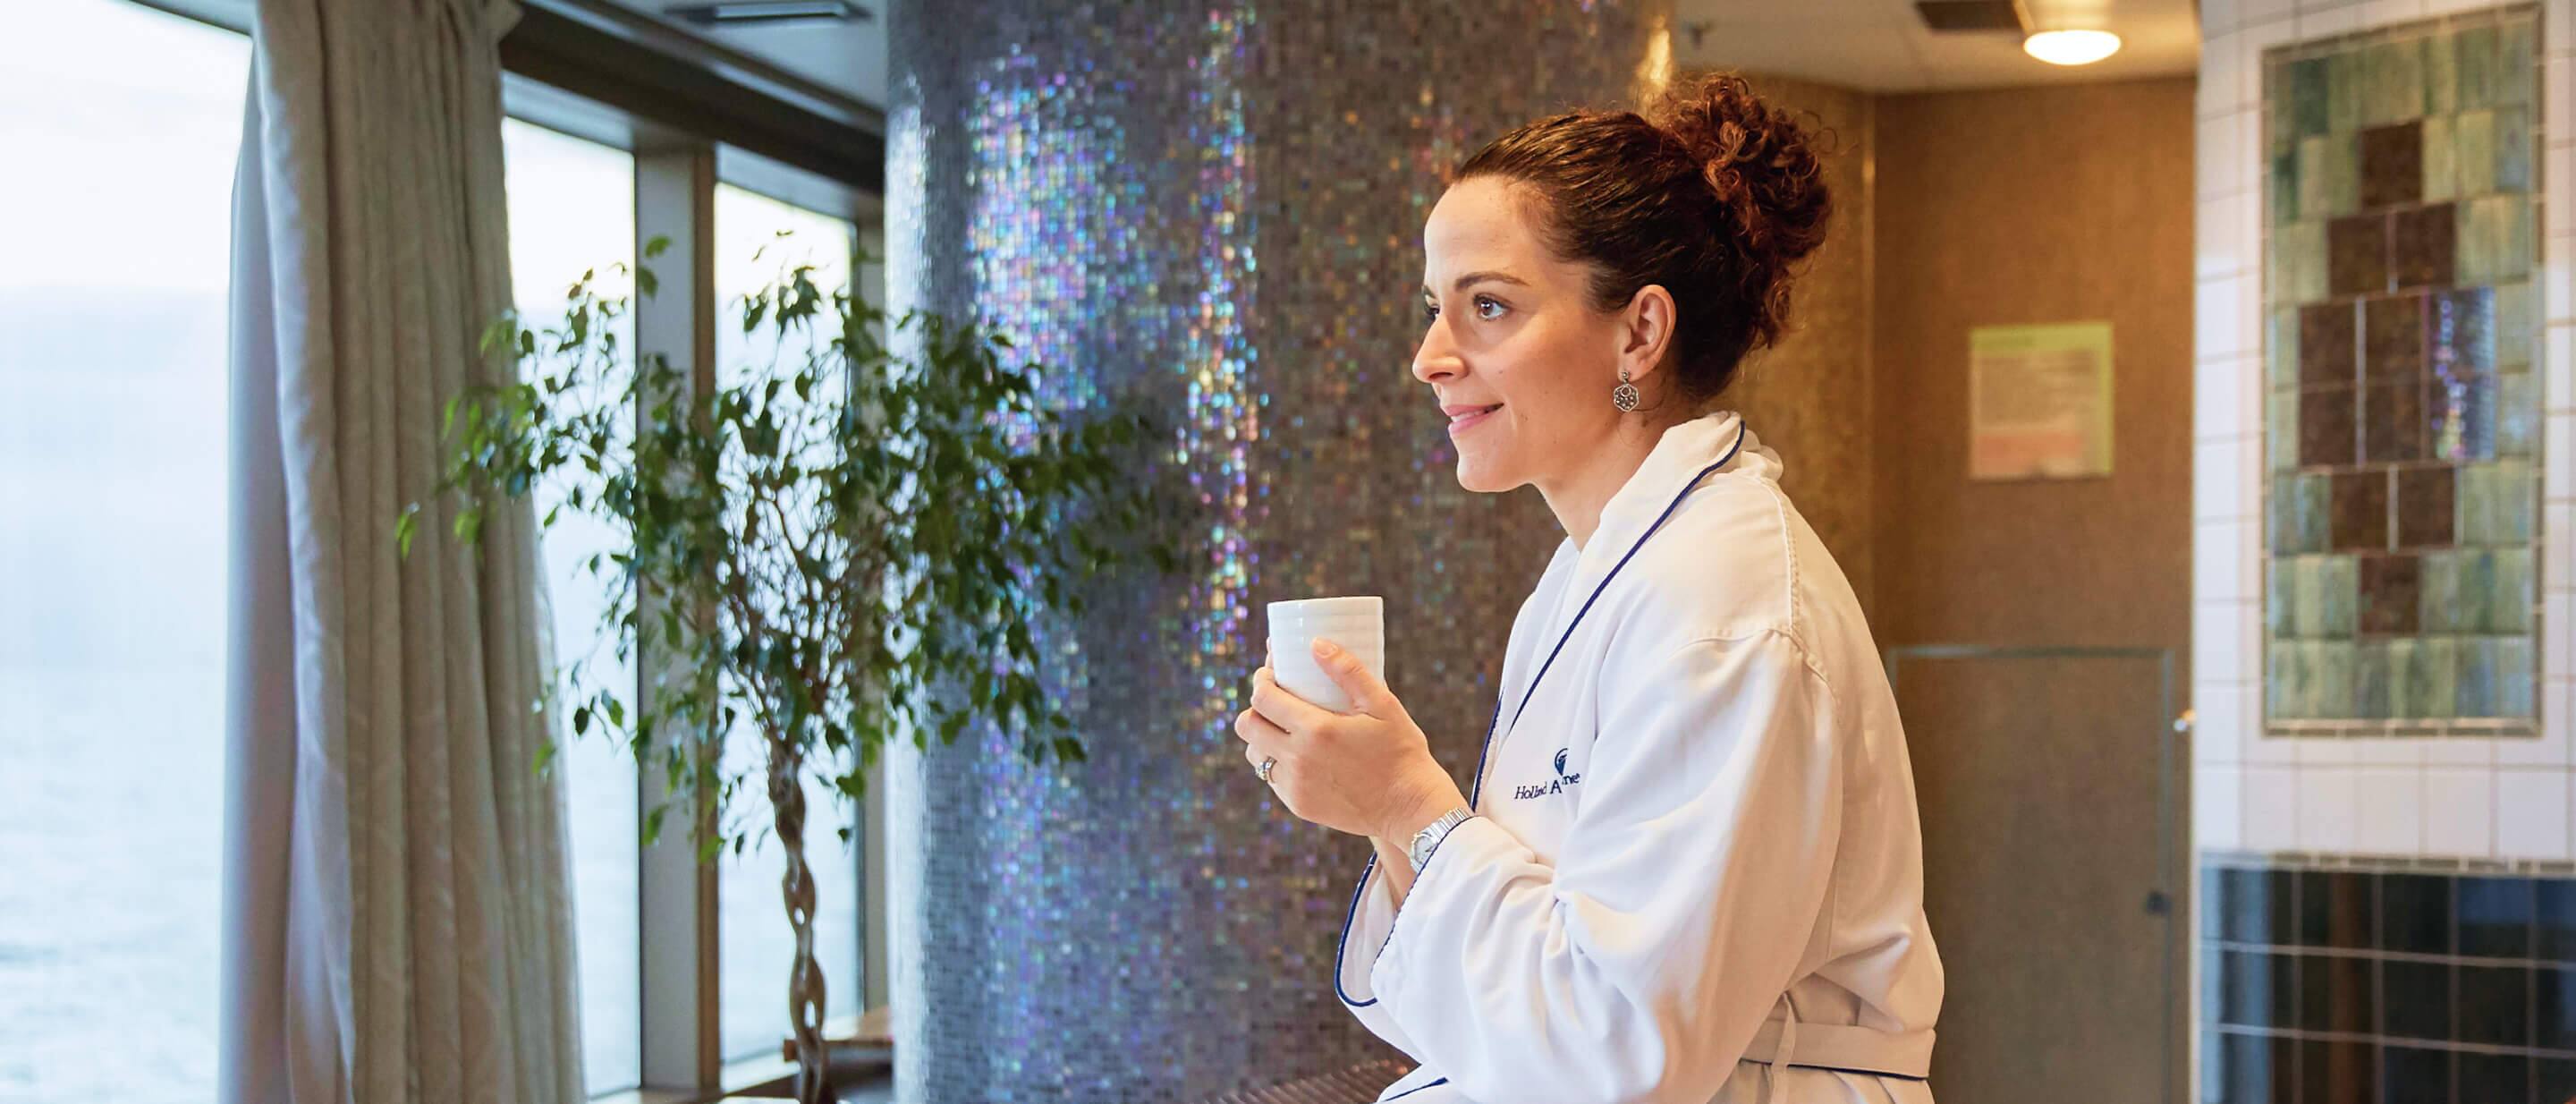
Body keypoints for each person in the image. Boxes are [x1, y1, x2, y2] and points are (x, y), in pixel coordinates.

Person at [1232, 72, 1945, 1104]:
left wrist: (1409, 801)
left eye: (1487, 306)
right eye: (1434, 310)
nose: (1430, 358)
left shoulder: (1723, 604)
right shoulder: (1594, 575)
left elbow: (1624, 1051)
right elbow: (1512, 988)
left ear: (1638, 334)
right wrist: (1381, 809)